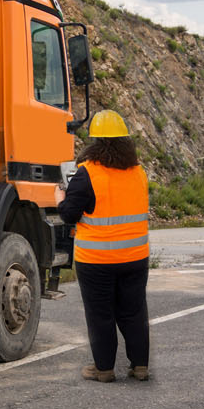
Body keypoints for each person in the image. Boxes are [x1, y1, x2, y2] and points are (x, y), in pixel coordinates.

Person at [57, 110, 150, 383]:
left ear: (95, 142)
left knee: (101, 314)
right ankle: (140, 366)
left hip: (96, 259)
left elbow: (69, 214)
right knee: (133, 312)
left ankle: (105, 369)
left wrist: (60, 198)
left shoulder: (87, 174)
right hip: (134, 257)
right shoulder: (138, 173)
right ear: (125, 142)